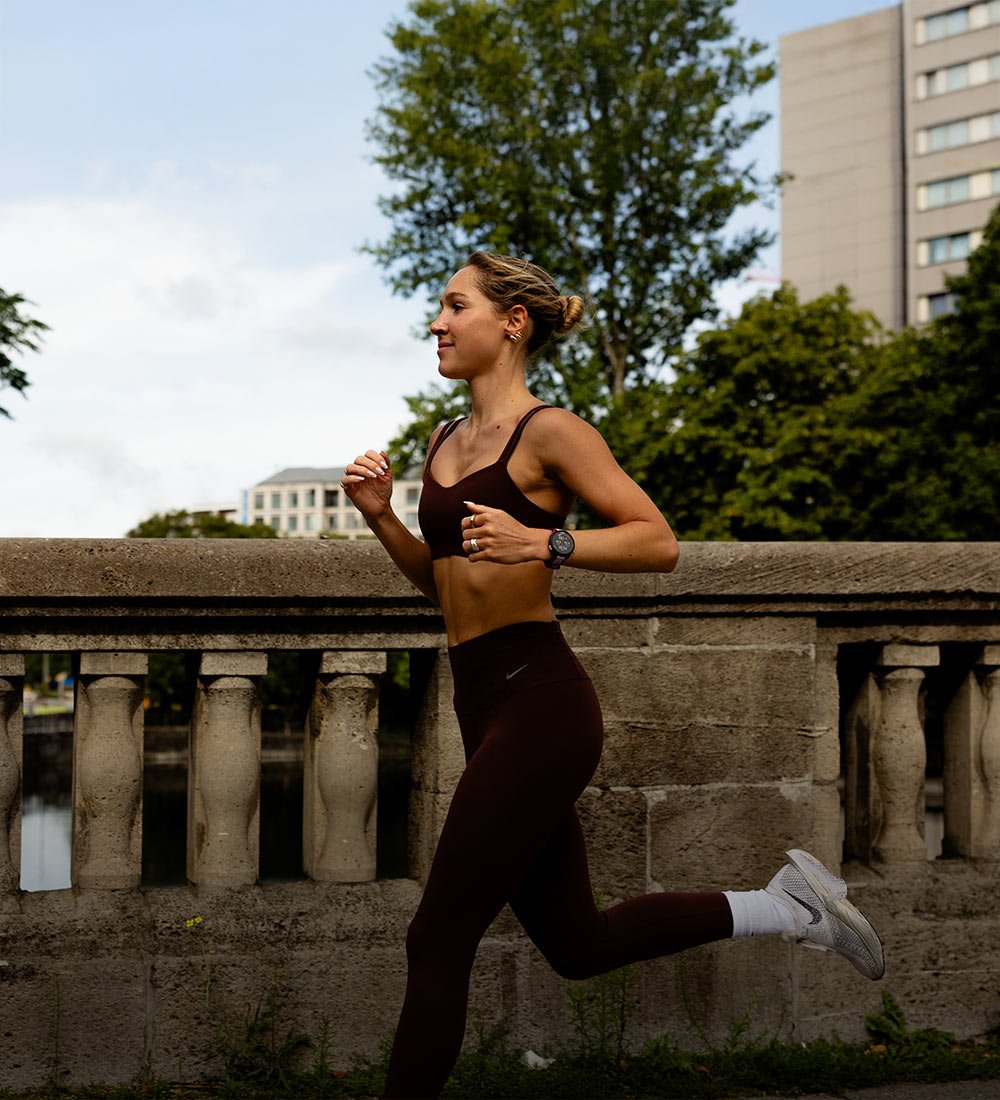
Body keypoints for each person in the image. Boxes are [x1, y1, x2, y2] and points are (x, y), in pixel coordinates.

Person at [342, 251, 884, 1099]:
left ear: (511, 323)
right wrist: (382, 520)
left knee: (436, 939)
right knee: (578, 945)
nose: (437, 324)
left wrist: (547, 542)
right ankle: (790, 907)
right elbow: (447, 585)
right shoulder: (442, 439)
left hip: (540, 706)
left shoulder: (551, 431)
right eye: (438, 309)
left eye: (455, 306)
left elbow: (657, 541)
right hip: (481, 702)